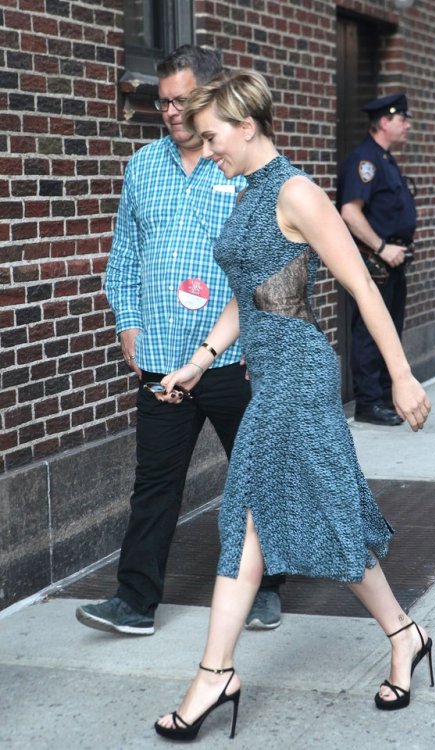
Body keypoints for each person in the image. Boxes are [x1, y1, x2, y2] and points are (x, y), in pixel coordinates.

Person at [152, 71, 433, 741]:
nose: (208, 147)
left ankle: (215, 673)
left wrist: (401, 376)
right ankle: (405, 632)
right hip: (268, 372)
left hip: (299, 376)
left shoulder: (297, 192)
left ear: (248, 125)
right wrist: (198, 360)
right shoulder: (247, 193)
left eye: (214, 135)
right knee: (316, 509)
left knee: (250, 513)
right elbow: (244, 296)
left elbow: (362, 286)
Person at [75, 46, 284, 637]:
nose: (169, 111)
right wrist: (128, 324)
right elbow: (123, 260)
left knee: (253, 477)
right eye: (160, 101)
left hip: (233, 359)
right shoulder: (141, 167)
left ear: (211, 95)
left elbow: (267, 269)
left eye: (180, 100)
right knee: (154, 485)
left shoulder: (241, 167)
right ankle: (135, 602)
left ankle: (265, 587)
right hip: (163, 360)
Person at [337, 92, 417, 426]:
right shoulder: (365, 160)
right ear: (385, 122)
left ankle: (386, 397)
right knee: (371, 333)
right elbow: (349, 213)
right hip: (376, 261)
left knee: (390, 329)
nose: (407, 125)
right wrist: (382, 248)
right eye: (403, 119)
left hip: (394, 261)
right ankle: (369, 403)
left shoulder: (385, 158)